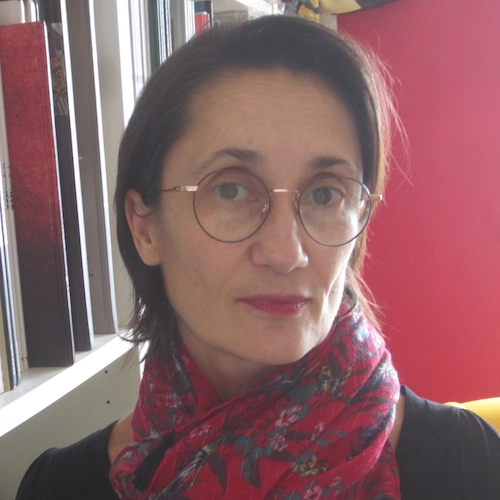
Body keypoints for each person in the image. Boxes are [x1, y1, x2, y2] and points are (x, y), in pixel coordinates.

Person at [16, 15, 500, 500]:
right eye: (230, 189)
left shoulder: (471, 466)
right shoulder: (58, 487)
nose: (286, 253)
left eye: (325, 194)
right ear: (145, 227)